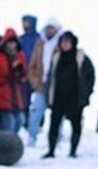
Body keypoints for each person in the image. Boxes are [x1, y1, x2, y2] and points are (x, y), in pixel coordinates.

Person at [42, 30, 94, 159]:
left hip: (75, 98)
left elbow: (90, 76)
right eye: (62, 42)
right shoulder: (56, 58)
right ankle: (51, 150)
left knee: (76, 125)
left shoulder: (81, 57)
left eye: (67, 42)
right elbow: (50, 77)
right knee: (54, 124)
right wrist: (48, 94)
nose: (64, 45)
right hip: (58, 97)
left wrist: (86, 93)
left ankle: (73, 150)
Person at [26, 18, 62, 147]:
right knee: (36, 111)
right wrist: (34, 80)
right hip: (41, 83)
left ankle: (57, 138)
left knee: (58, 113)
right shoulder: (40, 44)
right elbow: (33, 64)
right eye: (48, 28)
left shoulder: (61, 45)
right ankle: (31, 137)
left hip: (56, 85)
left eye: (52, 28)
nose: (49, 31)